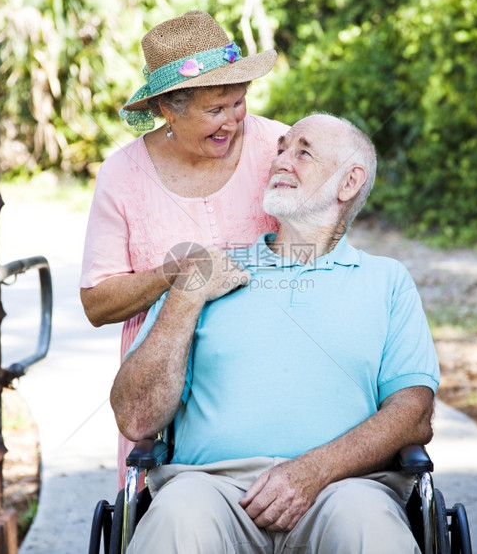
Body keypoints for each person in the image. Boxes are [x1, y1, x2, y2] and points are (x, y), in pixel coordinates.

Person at [111, 114, 440, 553]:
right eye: (281, 149)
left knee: (369, 525)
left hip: (343, 489)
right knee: (178, 513)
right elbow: (136, 418)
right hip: (211, 489)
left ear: (349, 183)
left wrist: (312, 472)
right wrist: (186, 298)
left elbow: (414, 413)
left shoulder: (387, 281)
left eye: (303, 151)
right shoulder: (208, 270)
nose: (281, 161)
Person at [78, 10, 289, 485]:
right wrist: (171, 275)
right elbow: (96, 302)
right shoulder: (122, 175)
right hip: (160, 395)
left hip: (270, 374)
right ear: (168, 108)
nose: (232, 122)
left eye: (239, 103)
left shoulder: (279, 144)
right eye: (215, 110)